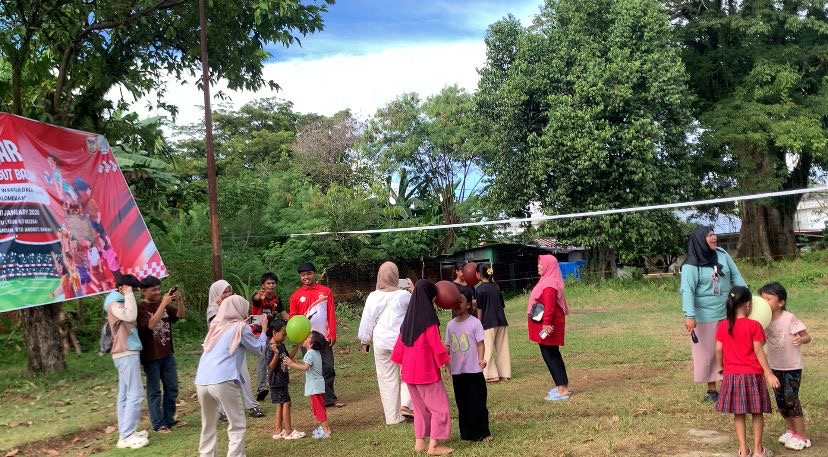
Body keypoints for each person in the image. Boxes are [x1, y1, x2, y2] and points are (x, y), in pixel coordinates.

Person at [194, 295, 269, 457]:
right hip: (224, 379)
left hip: (202, 380)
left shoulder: (215, 326)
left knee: (208, 425)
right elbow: (258, 350)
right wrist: (263, 331)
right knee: (237, 424)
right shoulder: (240, 328)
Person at [681, 225, 747, 402]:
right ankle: (711, 389)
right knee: (708, 352)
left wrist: (745, 296)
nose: (714, 238)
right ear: (700, 240)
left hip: (727, 311)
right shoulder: (691, 265)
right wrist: (689, 315)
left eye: (714, 234)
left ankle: (731, 384)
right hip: (704, 316)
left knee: (730, 348)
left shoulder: (722, 254)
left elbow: (736, 277)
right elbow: (687, 291)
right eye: (710, 236)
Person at [715, 286, 779, 457]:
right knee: (757, 412)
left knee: (739, 414)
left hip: (732, 375)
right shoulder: (754, 326)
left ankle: (743, 451)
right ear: (749, 305)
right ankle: (758, 450)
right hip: (753, 375)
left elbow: (718, 350)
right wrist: (769, 373)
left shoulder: (723, 325)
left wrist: (721, 367)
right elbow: (758, 351)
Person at [391, 280, 453, 456]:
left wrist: (403, 365)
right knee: (440, 408)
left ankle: (420, 443)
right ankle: (433, 446)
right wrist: (446, 362)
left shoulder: (408, 319)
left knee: (419, 409)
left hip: (409, 373)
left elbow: (398, 348)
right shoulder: (429, 320)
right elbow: (436, 345)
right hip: (426, 372)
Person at [357, 261, 414, 424]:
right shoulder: (405, 296)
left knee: (386, 379)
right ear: (396, 277)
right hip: (402, 342)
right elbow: (419, 309)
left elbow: (367, 321)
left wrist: (364, 341)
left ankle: (393, 417)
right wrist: (413, 290)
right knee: (408, 374)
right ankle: (406, 405)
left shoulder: (373, 296)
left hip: (381, 342)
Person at [760, 282, 812, 451]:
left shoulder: (789, 318)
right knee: (781, 401)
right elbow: (759, 343)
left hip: (792, 367)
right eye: (762, 299)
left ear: (780, 302)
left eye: (768, 299)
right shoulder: (764, 321)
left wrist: (800, 339)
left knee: (791, 400)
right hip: (776, 368)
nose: (764, 302)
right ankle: (791, 430)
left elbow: (807, 337)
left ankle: (802, 436)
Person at [206, 280, 265, 419]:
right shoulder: (213, 309)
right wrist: (223, 307)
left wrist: (247, 322)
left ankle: (251, 405)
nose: (227, 295)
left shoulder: (231, 305)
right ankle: (222, 411)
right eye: (224, 292)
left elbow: (236, 322)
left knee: (243, 375)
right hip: (222, 350)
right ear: (216, 294)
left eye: (229, 291)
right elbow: (221, 325)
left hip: (236, 347)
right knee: (224, 380)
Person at [289, 262, 344, 407]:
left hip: (324, 337)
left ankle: (329, 398)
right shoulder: (296, 296)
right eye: (303, 275)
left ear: (314, 274)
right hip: (306, 340)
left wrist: (332, 333)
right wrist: (299, 338)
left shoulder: (325, 292)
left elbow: (331, 313)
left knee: (328, 367)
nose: (306, 277)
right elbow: (293, 319)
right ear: (300, 277)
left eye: (309, 273)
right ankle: (317, 400)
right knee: (313, 369)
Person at [104, 274, 149, 449]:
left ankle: (126, 432)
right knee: (136, 393)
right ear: (123, 287)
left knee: (124, 395)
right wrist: (128, 294)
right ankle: (127, 435)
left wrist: (128, 295)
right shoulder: (115, 303)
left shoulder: (119, 301)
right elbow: (130, 316)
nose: (136, 293)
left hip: (126, 352)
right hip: (125, 352)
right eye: (134, 289)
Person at [137, 276, 186, 433]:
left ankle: (169, 419)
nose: (158, 292)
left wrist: (179, 301)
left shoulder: (161, 304)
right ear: (143, 291)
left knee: (172, 387)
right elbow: (151, 324)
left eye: (159, 289)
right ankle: (158, 424)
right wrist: (164, 304)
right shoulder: (140, 308)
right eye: (154, 290)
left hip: (167, 353)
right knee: (154, 391)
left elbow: (179, 315)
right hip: (150, 356)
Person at [445, 289, 491, 442]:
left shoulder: (475, 322)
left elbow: (480, 343)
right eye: (455, 302)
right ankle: (466, 434)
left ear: (469, 304)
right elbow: (447, 346)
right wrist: (446, 363)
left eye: (460, 301)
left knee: (478, 402)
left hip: (474, 371)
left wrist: (481, 359)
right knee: (462, 404)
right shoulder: (450, 325)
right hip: (458, 373)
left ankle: (484, 432)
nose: (457, 305)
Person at [528, 255, 571, 400]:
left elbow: (550, 307)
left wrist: (546, 324)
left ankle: (561, 389)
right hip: (547, 324)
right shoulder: (547, 281)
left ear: (549, 266)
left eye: (541, 264)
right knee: (554, 354)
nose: (538, 266)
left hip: (548, 326)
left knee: (550, 356)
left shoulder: (549, 285)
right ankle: (563, 385)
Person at [285, 331, 332, 439]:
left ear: (311, 344)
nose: (304, 338)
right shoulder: (316, 353)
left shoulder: (309, 353)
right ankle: (323, 427)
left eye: (308, 337)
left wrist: (291, 364)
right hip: (318, 384)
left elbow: (305, 367)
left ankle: (326, 430)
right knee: (318, 407)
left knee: (318, 408)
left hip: (314, 386)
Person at [265, 318, 305, 440]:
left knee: (280, 404)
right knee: (286, 403)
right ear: (274, 333)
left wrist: (297, 346)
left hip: (282, 379)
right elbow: (271, 366)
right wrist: (276, 354)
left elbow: (288, 358)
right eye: (283, 334)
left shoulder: (280, 345)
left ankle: (278, 431)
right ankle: (289, 431)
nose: (285, 337)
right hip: (276, 381)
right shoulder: (271, 347)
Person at [251, 272, 289, 400]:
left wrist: (297, 321)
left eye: (273, 283)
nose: (271, 286)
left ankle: (275, 382)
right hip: (258, 332)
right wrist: (259, 296)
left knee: (277, 355)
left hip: (272, 334)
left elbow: (285, 315)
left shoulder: (277, 300)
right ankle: (262, 388)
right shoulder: (259, 298)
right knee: (263, 358)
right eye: (268, 283)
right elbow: (255, 299)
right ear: (263, 285)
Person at [475, 263, 511, 383]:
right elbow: (502, 305)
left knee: (487, 349)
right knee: (503, 348)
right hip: (501, 320)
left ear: (479, 274)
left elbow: (479, 308)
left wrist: (479, 323)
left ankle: (491, 375)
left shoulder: (479, 289)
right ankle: (505, 373)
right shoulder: (496, 287)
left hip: (488, 323)